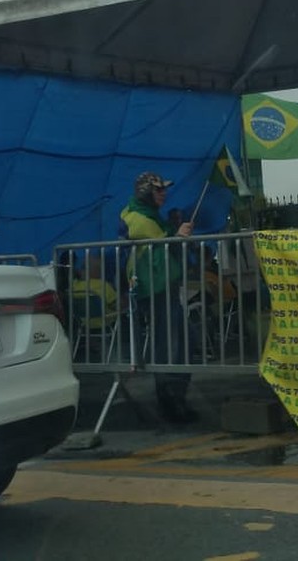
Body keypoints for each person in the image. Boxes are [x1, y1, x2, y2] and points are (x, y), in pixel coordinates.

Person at [119, 171, 197, 424]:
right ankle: (171, 402)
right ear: (145, 193)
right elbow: (164, 245)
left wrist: (174, 230)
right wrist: (178, 235)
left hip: (161, 286)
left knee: (180, 339)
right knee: (170, 344)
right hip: (154, 288)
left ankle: (175, 399)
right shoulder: (140, 219)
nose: (163, 193)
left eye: (163, 189)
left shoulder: (148, 216)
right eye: (158, 190)